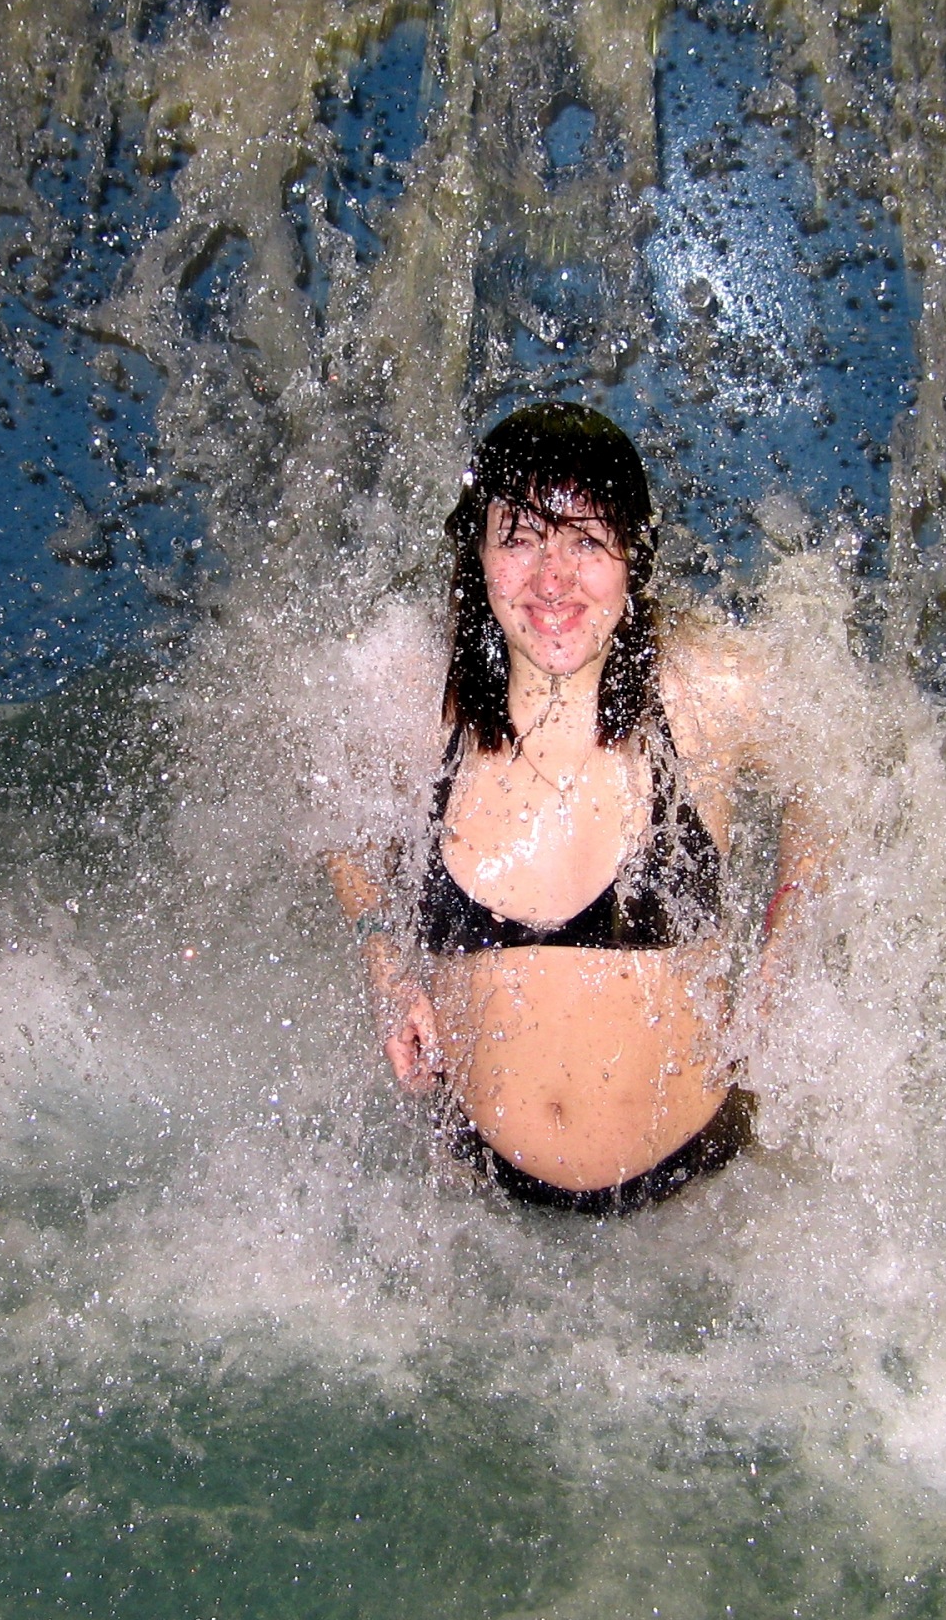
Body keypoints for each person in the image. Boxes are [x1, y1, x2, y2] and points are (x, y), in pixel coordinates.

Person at [327, 402, 825, 1213]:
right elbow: (325, 814)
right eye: (520, 539)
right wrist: (383, 958)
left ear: (633, 556)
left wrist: (785, 946)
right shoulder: (418, 704)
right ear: (478, 554)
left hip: (699, 1200)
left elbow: (841, 767)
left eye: (586, 542)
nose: (552, 580)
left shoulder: (708, 691)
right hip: (484, 1206)